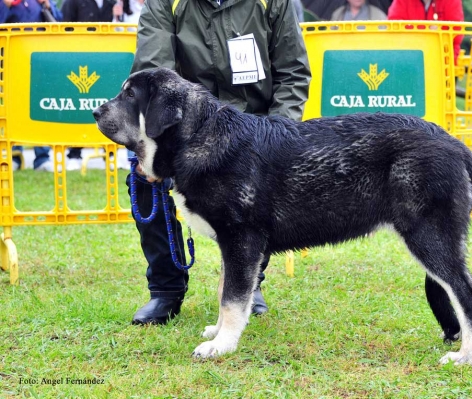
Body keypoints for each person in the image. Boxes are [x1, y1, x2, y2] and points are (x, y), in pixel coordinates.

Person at [128, 0, 311, 325]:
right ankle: (165, 290)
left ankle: (248, 283)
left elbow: (292, 72)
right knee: (143, 180)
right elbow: (154, 76)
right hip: (185, 129)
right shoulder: (164, 3)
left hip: (253, 126)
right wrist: (154, 146)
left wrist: (277, 136)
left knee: (263, 181)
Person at [1, 0, 62, 172]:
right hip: (11, 63)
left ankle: (42, 158)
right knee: (12, 110)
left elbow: (59, 22)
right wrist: (6, 6)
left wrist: (48, 5)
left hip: (39, 63)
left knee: (41, 109)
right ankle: (14, 156)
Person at [61, 0, 116, 171]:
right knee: (78, 107)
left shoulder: (112, 2)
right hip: (79, 63)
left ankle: (110, 154)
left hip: (106, 63)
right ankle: (74, 153)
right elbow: (64, 27)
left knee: (109, 106)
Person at [387, 0, 464, 64]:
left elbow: (457, 35)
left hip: (444, 60)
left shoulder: (451, 1)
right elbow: (393, 30)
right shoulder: (402, 2)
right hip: (409, 59)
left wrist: (438, 35)